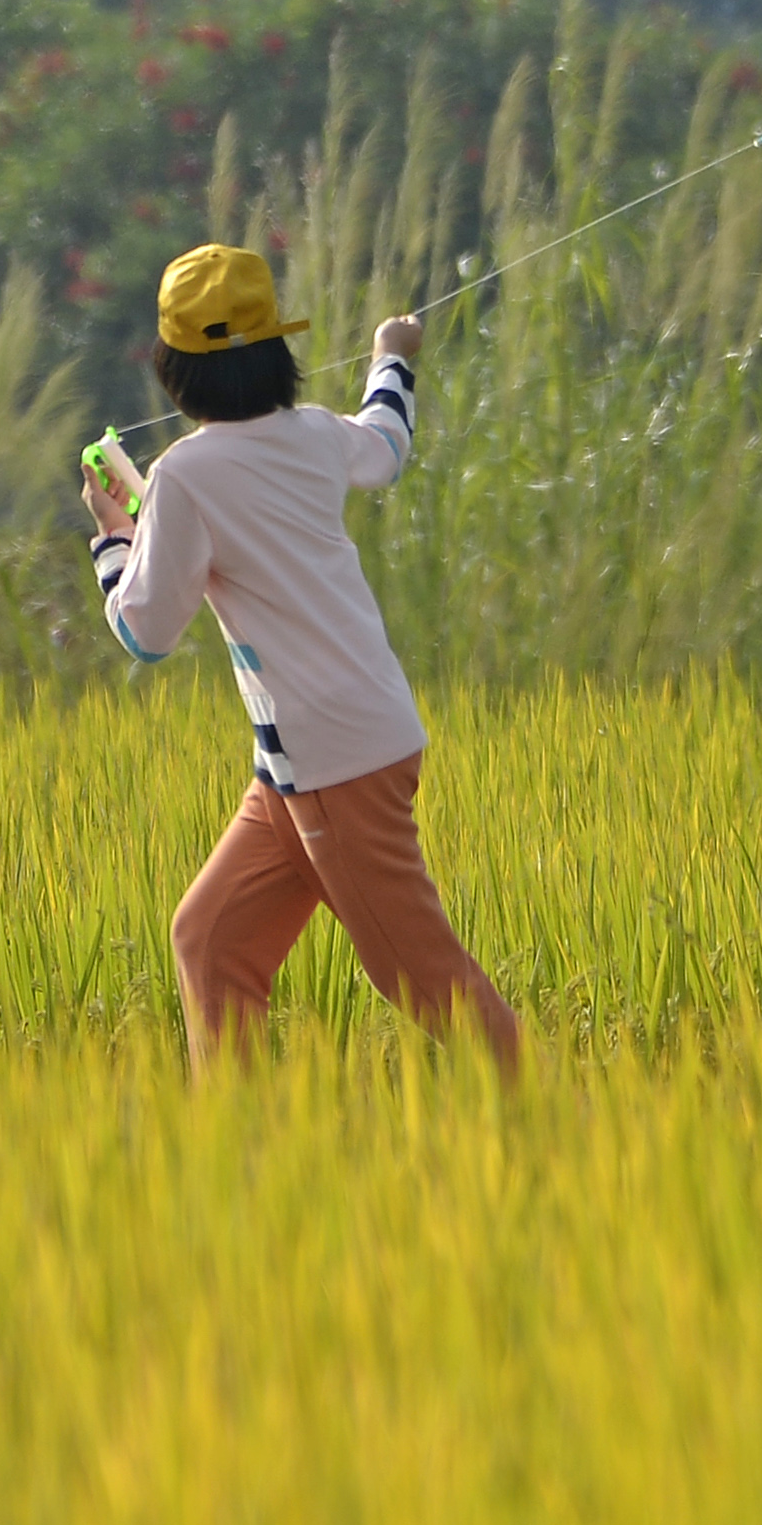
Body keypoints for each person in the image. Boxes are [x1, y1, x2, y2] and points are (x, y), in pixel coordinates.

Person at [79, 242, 521, 1079]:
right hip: (313, 758)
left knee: (418, 976)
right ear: (277, 351)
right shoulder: (311, 435)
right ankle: (242, 1160)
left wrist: (110, 536)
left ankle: (563, 1122)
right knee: (209, 939)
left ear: (174, 371)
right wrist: (391, 355)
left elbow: (145, 630)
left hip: (332, 762)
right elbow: (384, 443)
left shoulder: (182, 476)